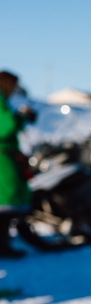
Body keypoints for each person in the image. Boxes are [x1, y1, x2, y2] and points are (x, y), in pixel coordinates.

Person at [0, 70, 35, 259]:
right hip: (3, 157)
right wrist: (21, 115)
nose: (14, 90)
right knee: (7, 201)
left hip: (6, 155)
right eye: (13, 85)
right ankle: (3, 246)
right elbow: (6, 128)